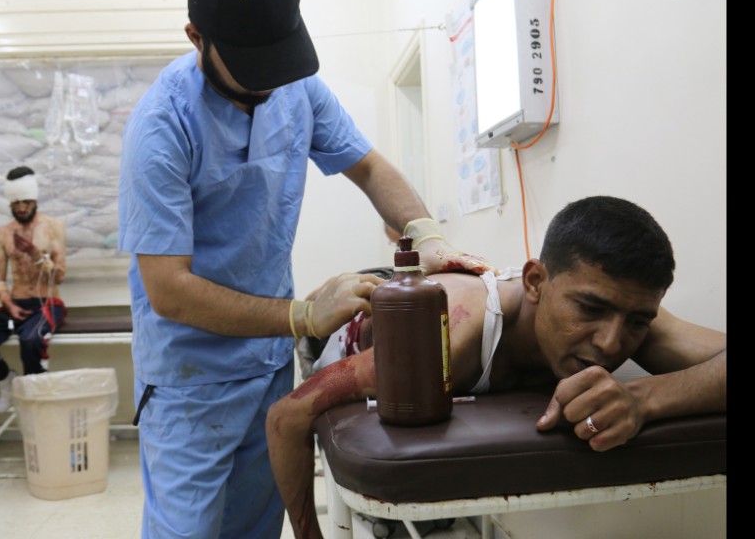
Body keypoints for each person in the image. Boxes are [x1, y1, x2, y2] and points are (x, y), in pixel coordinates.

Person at [116, 0, 490, 537]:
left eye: (279, 59)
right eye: (253, 66)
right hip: (188, 380)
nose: (270, 80)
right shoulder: (162, 125)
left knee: (255, 525)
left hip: (265, 365)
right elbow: (168, 289)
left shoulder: (297, 88)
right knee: (187, 529)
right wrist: (302, 316)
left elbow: (368, 168)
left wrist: (425, 233)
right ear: (198, 38)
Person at [266, 195, 727, 539]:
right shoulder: (448, 335)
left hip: (452, 298)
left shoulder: (629, 314)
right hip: (358, 325)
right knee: (362, 295)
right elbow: (285, 417)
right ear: (535, 282)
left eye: (637, 322)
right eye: (588, 309)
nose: (611, 343)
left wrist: (645, 399)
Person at [0, 166, 67, 411]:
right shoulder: (3, 233)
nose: (21, 208)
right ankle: (5, 380)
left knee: (31, 340)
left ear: (35, 200)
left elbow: (60, 276)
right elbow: (0, 280)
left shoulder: (53, 227)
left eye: (26, 202)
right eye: (16, 203)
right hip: (15, 304)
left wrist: (36, 255)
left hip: (46, 303)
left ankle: (35, 402)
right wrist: (8, 302)